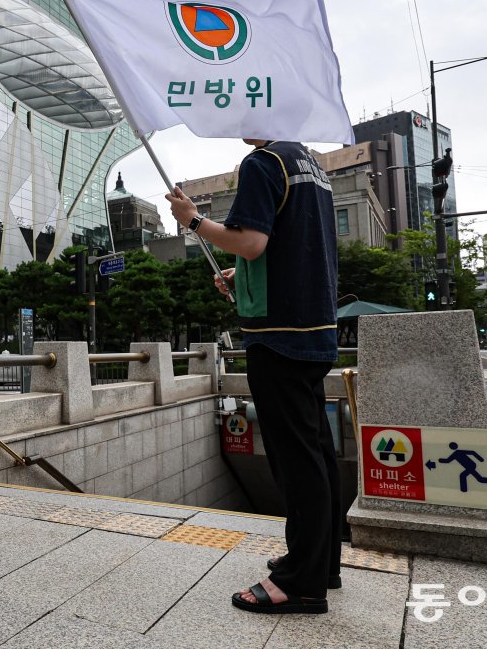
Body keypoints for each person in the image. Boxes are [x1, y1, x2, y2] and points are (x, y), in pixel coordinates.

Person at [167, 139, 340, 616]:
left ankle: (301, 582)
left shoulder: (262, 164)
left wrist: (193, 221)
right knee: (317, 451)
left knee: (294, 459)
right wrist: (241, 272)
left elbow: (252, 240)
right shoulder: (310, 164)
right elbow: (276, 250)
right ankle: (321, 563)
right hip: (313, 326)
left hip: (278, 332)